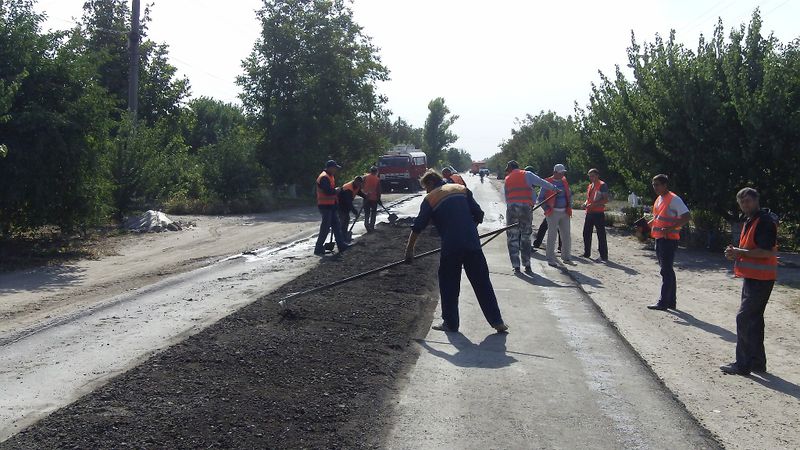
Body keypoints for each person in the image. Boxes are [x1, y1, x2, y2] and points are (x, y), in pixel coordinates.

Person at [405, 170, 508, 333]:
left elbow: (418, 227)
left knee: (449, 285)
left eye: (426, 187)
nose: (426, 191)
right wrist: (468, 230)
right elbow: (479, 214)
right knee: (482, 283)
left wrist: (409, 251)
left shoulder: (430, 198)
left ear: (430, 183)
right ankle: (497, 321)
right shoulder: (461, 189)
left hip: (451, 247)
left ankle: (451, 324)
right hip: (472, 245)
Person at [720, 188, 778, 375]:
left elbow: (766, 251)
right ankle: (757, 363)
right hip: (753, 278)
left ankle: (742, 364)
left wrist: (739, 252)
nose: (745, 204)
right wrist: (735, 253)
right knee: (754, 320)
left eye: (748, 201)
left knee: (744, 318)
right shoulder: (751, 220)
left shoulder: (765, 221)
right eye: (742, 202)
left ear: (756, 200)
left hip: (762, 279)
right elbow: (750, 249)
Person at [646, 174, 692, 311]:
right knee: (667, 271)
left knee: (665, 271)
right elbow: (659, 217)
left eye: (657, 184)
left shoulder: (674, 199)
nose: (655, 187)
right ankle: (670, 301)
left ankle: (663, 302)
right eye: (653, 185)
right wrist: (648, 224)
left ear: (665, 185)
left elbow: (687, 216)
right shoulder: (660, 199)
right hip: (660, 238)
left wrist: (669, 229)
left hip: (669, 239)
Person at [503, 161, 556, 274]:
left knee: (512, 237)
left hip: (512, 208)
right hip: (526, 209)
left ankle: (516, 266)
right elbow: (542, 182)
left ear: (510, 169)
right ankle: (527, 265)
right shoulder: (527, 174)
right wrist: (554, 188)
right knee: (526, 237)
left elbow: (507, 197)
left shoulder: (507, 178)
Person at [538, 164, 573, 266]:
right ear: (554, 172)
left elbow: (569, 194)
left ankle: (566, 257)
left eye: (563, 173)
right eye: (560, 173)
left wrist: (570, 205)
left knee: (566, 235)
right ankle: (550, 258)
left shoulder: (564, 181)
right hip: (552, 213)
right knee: (552, 235)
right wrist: (547, 209)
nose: (562, 174)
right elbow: (540, 198)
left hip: (565, 212)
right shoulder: (547, 182)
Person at [314, 160, 350, 255]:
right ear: (330, 167)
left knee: (336, 226)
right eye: (335, 168)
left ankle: (341, 245)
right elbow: (327, 191)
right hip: (325, 206)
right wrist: (336, 190)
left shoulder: (330, 176)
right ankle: (318, 248)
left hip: (331, 205)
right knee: (325, 228)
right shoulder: (324, 177)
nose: (336, 170)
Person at [582, 168, 609, 261]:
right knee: (586, 233)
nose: (591, 177)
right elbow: (589, 198)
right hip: (589, 212)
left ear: (597, 175)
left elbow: (605, 199)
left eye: (592, 175)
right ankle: (586, 253)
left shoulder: (602, 185)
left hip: (598, 212)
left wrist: (594, 204)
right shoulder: (590, 185)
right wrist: (585, 203)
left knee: (600, 234)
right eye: (589, 176)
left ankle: (603, 255)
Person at [362, 166, 381, 233]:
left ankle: (366, 224)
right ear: (376, 172)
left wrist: (364, 192)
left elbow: (361, 185)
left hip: (366, 197)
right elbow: (378, 190)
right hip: (374, 198)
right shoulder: (377, 179)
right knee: (373, 212)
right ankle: (372, 226)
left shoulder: (365, 177)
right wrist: (379, 199)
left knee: (367, 212)